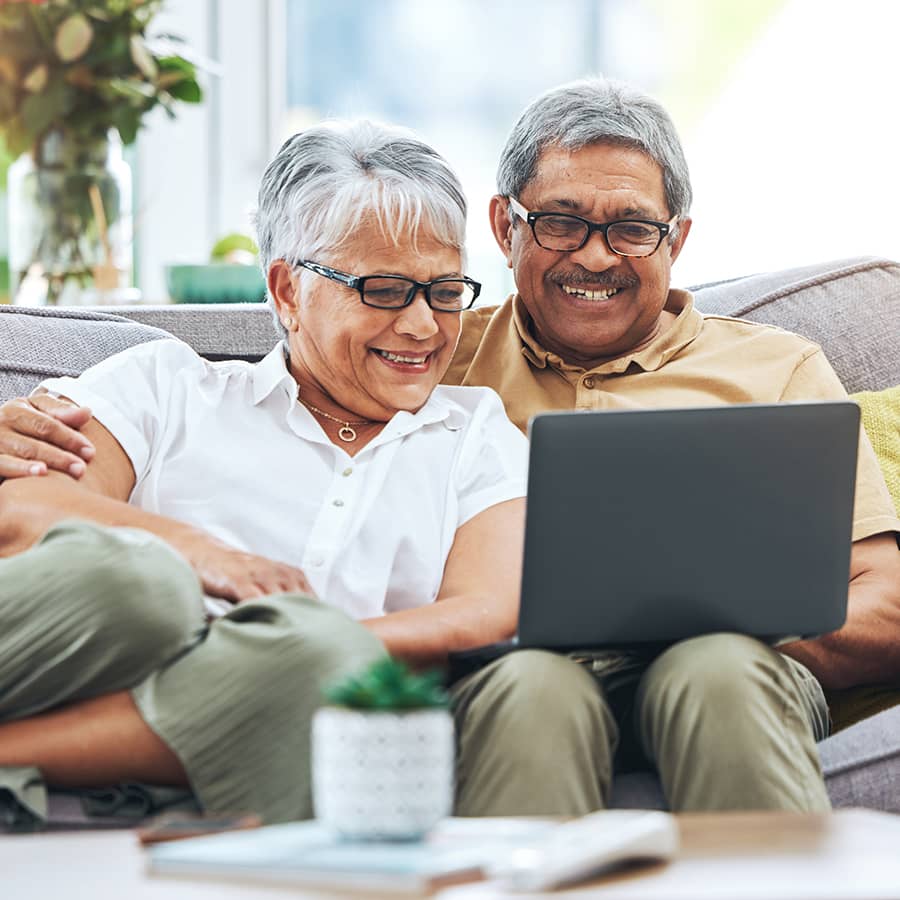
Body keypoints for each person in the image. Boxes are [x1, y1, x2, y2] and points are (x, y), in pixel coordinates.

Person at [4, 78, 899, 815]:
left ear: (678, 239)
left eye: (631, 227)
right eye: (561, 222)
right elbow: (38, 501)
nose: (595, 256)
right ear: (507, 229)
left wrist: (717, 618)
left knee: (714, 671)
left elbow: (886, 606)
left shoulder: (763, 369)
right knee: (531, 687)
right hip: (525, 675)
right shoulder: (423, 359)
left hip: (728, 664)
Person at [0, 119, 528, 824]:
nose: (423, 326)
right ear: (287, 290)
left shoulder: (475, 433)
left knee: (322, 660)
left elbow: (483, 612)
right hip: (89, 648)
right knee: (141, 581)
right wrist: (205, 557)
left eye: (444, 291)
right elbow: (28, 514)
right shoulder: (164, 384)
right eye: (384, 290)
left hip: (283, 696)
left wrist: (289, 643)